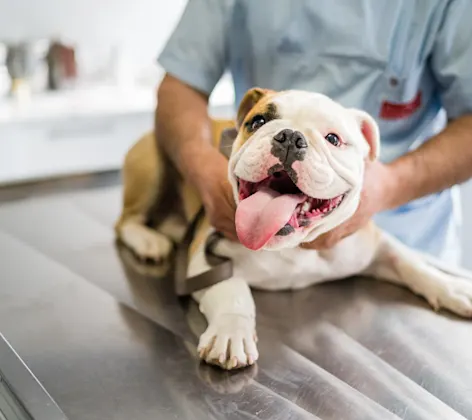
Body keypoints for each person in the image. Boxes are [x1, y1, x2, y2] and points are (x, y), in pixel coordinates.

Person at [155, 0, 472, 264]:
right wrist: (202, 167)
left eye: (332, 138)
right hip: (250, 234)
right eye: (262, 122)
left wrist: (389, 186)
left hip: (405, 239)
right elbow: (182, 82)